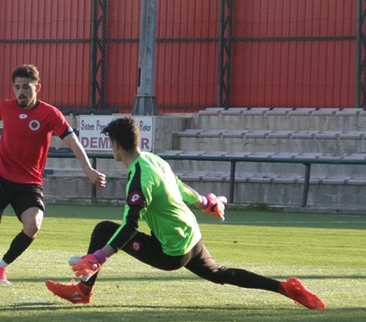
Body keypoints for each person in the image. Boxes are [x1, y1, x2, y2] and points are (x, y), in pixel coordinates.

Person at [45, 117, 326, 310]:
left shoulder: (138, 178)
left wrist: (98, 257)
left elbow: (129, 226)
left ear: (115, 145)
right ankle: (284, 288)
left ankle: (82, 292)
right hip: (192, 237)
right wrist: (205, 202)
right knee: (220, 273)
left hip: (173, 252)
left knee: (104, 231)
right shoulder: (153, 159)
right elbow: (178, 187)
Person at [0, 64, 106, 283]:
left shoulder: (50, 114)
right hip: (1, 177)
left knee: (33, 226)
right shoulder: (6, 106)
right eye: (17, 87)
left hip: (29, 183)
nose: (21, 92)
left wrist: (88, 170)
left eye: (26, 87)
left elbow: (73, 142)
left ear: (37, 88)